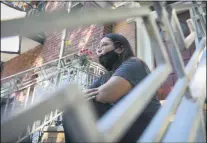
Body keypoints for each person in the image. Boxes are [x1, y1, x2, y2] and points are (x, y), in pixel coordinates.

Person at [62, 33, 161, 142]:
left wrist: (88, 96)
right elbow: (82, 96)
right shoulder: (105, 77)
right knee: (73, 111)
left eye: (104, 45)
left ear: (119, 49)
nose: (99, 50)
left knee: (85, 108)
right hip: (123, 123)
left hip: (145, 124)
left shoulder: (134, 63)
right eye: (98, 47)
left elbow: (106, 94)